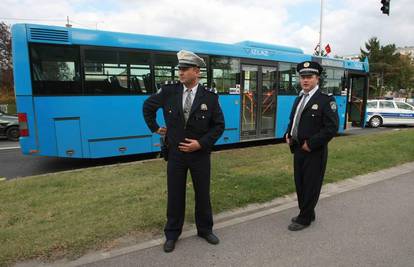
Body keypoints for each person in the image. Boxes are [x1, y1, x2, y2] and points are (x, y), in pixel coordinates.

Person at [143, 50, 225, 252]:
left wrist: (201, 144)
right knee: (175, 194)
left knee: (202, 194)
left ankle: (205, 230)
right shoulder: (169, 91)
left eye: (185, 69)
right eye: (179, 69)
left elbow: (219, 126)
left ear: (197, 72)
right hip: (176, 155)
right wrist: (155, 127)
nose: (180, 73)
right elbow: (148, 107)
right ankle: (172, 233)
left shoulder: (210, 97)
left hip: (199, 155)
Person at [285, 61, 339, 231]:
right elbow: (293, 120)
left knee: (310, 184)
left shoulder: (325, 100)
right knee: (300, 183)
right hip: (298, 148)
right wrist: (287, 134)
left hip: (314, 150)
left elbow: (331, 128)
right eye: (303, 77)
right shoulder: (299, 98)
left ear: (317, 79)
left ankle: (304, 218)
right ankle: (307, 211)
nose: (305, 80)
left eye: (309, 77)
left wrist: (311, 143)